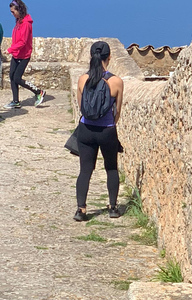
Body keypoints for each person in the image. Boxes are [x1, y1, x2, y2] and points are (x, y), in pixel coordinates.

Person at [74, 41, 124, 221]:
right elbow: (117, 111)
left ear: (91, 56)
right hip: (107, 131)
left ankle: (81, 210)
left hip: (86, 130)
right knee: (111, 168)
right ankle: (112, 207)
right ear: (109, 57)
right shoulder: (116, 81)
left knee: (85, 170)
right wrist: (110, 124)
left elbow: (81, 106)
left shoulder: (82, 79)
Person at [5, 0, 45, 109]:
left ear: (19, 10)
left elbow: (22, 42)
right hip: (16, 54)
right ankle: (15, 101)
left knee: (17, 78)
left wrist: (10, 49)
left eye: (13, 12)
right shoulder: (19, 21)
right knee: (12, 77)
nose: (12, 14)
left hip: (24, 56)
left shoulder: (26, 24)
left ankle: (38, 91)